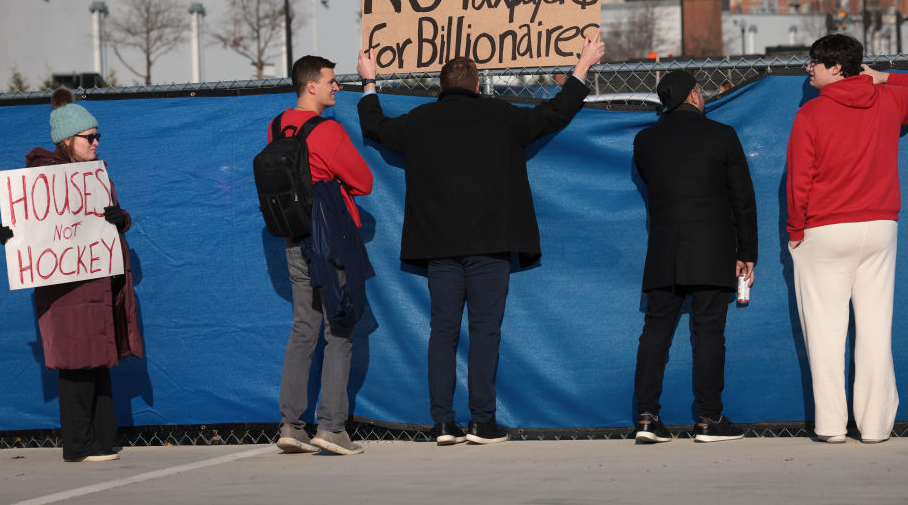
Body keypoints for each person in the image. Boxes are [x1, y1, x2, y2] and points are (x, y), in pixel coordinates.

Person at [356, 31, 606, 446]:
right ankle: (482, 422)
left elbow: (375, 127)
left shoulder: (420, 120)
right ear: (477, 86)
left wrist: (369, 81)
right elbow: (556, 112)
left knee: (443, 332)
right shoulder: (501, 115)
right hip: (490, 247)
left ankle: (441, 423)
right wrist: (582, 64)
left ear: (439, 89)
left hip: (439, 249)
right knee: (485, 331)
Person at [786, 34, 908, 444]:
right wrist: (883, 77)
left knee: (824, 331)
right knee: (875, 330)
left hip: (824, 231)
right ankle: (875, 428)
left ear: (836, 67)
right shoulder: (887, 100)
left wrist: (795, 232)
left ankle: (831, 427)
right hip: (879, 227)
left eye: (815, 62)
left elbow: (799, 181)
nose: (809, 69)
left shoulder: (811, 114)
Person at [0, 88, 143, 463]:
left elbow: (119, 216)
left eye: (97, 137)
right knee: (77, 362)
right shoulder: (40, 178)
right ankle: (80, 444)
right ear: (67, 140)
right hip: (65, 290)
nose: (96, 143)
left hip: (98, 281)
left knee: (100, 359)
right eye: (89, 137)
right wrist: (10, 235)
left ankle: (104, 439)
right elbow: (29, 228)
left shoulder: (95, 177)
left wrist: (119, 219)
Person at [632, 70, 757, 444]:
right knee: (708, 333)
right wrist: (747, 251)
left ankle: (646, 417)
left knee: (655, 333)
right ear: (693, 95)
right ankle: (708, 418)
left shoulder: (645, 141)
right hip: (712, 249)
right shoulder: (722, 136)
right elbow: (743, 200)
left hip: (664, 251)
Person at [273, 56, 374, 456]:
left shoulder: (277, 125)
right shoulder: (327, 131)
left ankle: (291, 426)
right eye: (332, 82)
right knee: (340, 329)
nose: (337, 88)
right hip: (330, 240)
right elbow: (363, 181)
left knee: (303, 329)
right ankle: (331, 427)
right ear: (310, 86)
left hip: (294, 239)